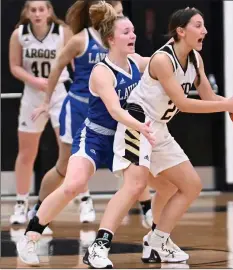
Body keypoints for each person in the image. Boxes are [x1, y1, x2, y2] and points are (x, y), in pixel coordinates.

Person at [84, 7, 233, 268]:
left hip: (159, 128)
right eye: (199, 25)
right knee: (135, 185)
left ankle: (157, 239)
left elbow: (208, 97)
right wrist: (227, 106)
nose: (205, 31)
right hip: (138, 123)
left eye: (205, 25)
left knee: (190, 185)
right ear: (181, 31)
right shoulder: (163, 60)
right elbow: (184, 104)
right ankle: (98, 247)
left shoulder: (196, 59)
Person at [16, 2, 175, 266]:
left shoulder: (136, 62)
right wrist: (142, 126)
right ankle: (31, 237)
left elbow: (160, 63)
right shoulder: (101, 71)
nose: (133, 36)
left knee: (162, 185)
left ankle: (157, 236)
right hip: (95, 136)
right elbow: (114, 110)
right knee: (73, 184)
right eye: (126, 32)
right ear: (110, 39)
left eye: (134, 31)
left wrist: (182, 51)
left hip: (123, 138)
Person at [29, 0, 154, 227]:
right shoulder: (81, 40)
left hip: (110, 111)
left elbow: (146, 66)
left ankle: (147, 210)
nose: (120, 17)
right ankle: (40, 208)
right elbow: (57, 66)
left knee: (132, 161)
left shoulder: (124, 49)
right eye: (118, 13)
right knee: (65, 166)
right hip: (80, 108)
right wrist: (47, 101)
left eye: (122, 13)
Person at [9, 0, 72, 225]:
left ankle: (84, 200)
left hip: (59, 95)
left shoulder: (63, 32)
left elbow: (75, 62)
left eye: (41, 9)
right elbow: (14, 66)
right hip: (32, 96)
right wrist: (34, 80)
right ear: (27, 12)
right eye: (32, 9)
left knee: (70, 151)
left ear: (49, 11)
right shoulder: (19, 34)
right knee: (27, 152)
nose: (37, 13)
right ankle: (21, 202)